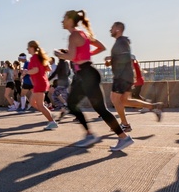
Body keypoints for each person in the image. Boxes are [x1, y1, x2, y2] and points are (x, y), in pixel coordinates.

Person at [54, 10, 134, 151]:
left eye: (64, 18)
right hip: (86, 74)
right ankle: (116, 137)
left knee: (85, 106)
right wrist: (85, 54)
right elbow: (101, 47)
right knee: (81, 105)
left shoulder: (73, 35)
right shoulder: (83, 33)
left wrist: (60, 55)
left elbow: (72, 56)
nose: (62, 21)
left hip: (86, 74)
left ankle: (113, 136)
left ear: (70, 20)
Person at [105, 22, 162, 132]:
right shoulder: (121, 41)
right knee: (125, 101)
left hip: (122, 76)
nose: (110, 30)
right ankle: (153, 107)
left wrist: (111, 59)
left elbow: (126, 57)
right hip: (125, 76)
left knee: (115, 99)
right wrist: (111, 61)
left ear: (118, 29)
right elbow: (121, 58)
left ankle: (125, 124)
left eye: (112, 28)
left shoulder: (122, 41)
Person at [22, 41, 56, 130]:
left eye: (28, 47)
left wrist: (26, 72)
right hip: (39, 83)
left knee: (40, 105)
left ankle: (52, 121)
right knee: (33, 102)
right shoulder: (39, 57)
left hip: (39, 83)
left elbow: (36, 70)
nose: (27, 49)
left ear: (32, 47)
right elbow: (48, 68)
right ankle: (48, 114)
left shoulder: (34, 57)